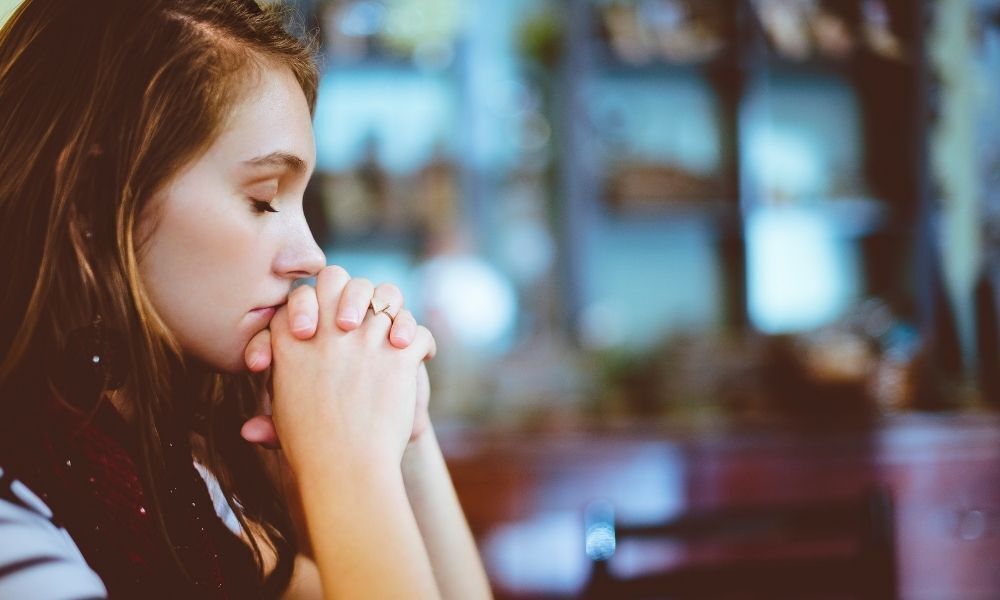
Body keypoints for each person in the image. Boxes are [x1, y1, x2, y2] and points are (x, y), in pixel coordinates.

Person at [0, 0, 491, 598]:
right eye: (263, 198)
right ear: (93, 199)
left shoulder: (166, 479)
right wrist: (347, 461)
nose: (310, 255)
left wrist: (401, 433)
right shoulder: (17, 516)